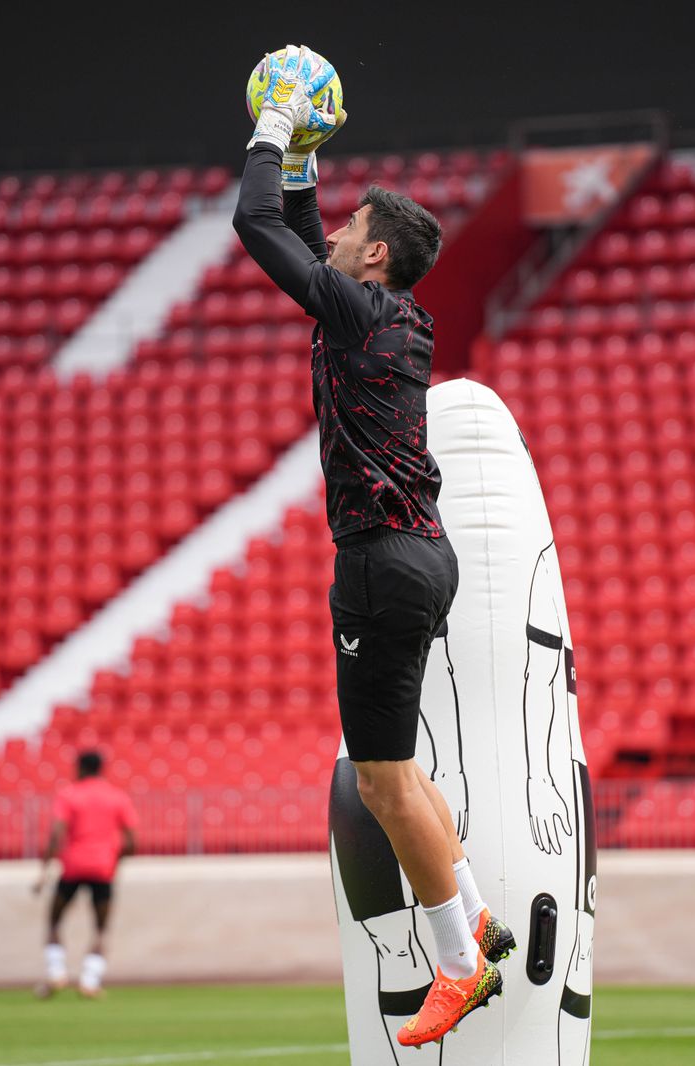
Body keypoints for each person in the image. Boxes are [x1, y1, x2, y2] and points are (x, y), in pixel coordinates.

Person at [233, 45, 513, 1048]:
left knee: (382, 779)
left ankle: (455, 961)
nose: (338, 232)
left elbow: (255, 223)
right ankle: (471, 914)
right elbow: (297, 225)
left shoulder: (358, 310)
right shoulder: (380, 313)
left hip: (381, 560)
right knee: (400, 770)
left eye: (353, 228)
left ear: (376, 258)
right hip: (416, 554)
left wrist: (272, 127)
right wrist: (306, 157)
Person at [32, 750, 136, 999]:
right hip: (103, 868)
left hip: (73, 867)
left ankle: (56, 973)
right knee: (100, 929)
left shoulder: (69, 795)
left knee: (54, 921)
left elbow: (57, 834)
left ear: (79, 768)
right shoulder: (117, 797)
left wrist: (44, 871)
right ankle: (90, 981)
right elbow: (132, 841)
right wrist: (114, 862)